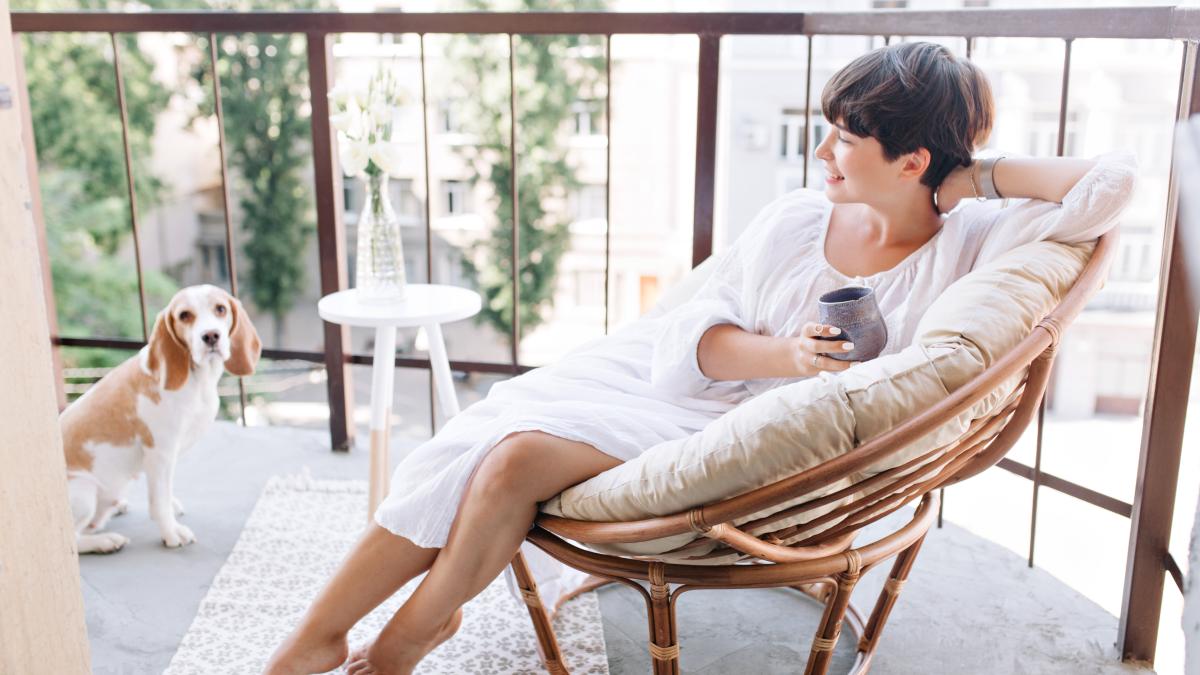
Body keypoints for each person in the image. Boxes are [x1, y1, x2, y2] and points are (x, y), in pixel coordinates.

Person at [265, 41, 1136, 675]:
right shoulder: (799, 220)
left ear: (911, 159)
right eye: (827, 131)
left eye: (844, 139)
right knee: (472, 440)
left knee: (516, 456)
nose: (823, 152)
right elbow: (699, 327)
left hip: (758, 431)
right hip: (692, 377)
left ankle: (399, 647)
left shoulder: (969, 242)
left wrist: (966, 180)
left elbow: (1112, 184)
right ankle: (319, 637)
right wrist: (788, 352)